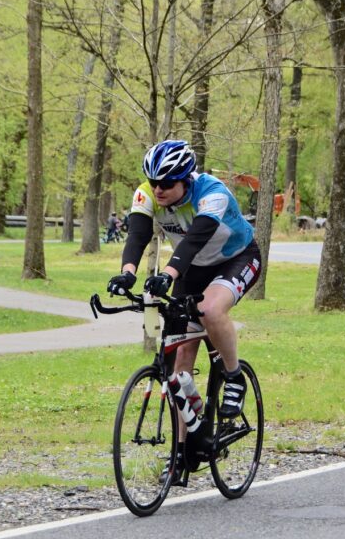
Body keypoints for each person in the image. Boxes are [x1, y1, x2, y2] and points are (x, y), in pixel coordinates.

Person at [107, 140, 261, 473]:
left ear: (185, 180)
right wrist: (127, 274)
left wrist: (167, 274)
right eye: (154, 182)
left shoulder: (212, 194)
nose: (158, 189)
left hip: (235, 259)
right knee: (179, 364)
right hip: (191, 269)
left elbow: (194, 240)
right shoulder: (147, 194)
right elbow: (137, 234)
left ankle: (234, 378)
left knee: (209, 310)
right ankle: (181, 451)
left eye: (166, 183)